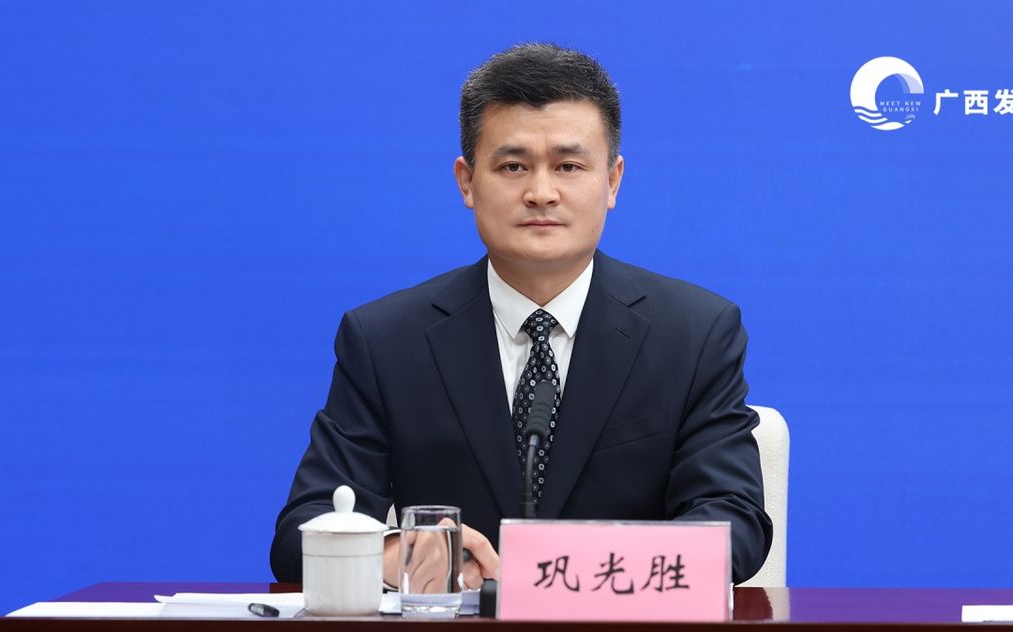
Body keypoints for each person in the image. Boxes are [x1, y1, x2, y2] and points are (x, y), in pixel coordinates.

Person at [270, 43, 772, 588]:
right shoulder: (387, 340)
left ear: (612, 181)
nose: (541, 193)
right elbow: (303, 531)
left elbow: (734, 521)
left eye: (568, 166)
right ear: (467, 181)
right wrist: (397, 554)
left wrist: (570, 573)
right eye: (513, 166)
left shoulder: (694, 335)